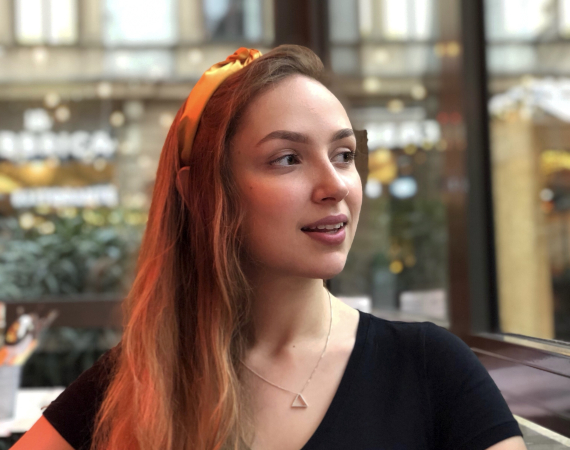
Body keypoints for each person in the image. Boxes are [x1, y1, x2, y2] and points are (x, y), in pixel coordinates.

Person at [13, 45, 527, 450]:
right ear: (201, 193)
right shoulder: (143, 379)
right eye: (287, 158)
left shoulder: (430, 367)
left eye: (344, 154)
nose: (336, 185)